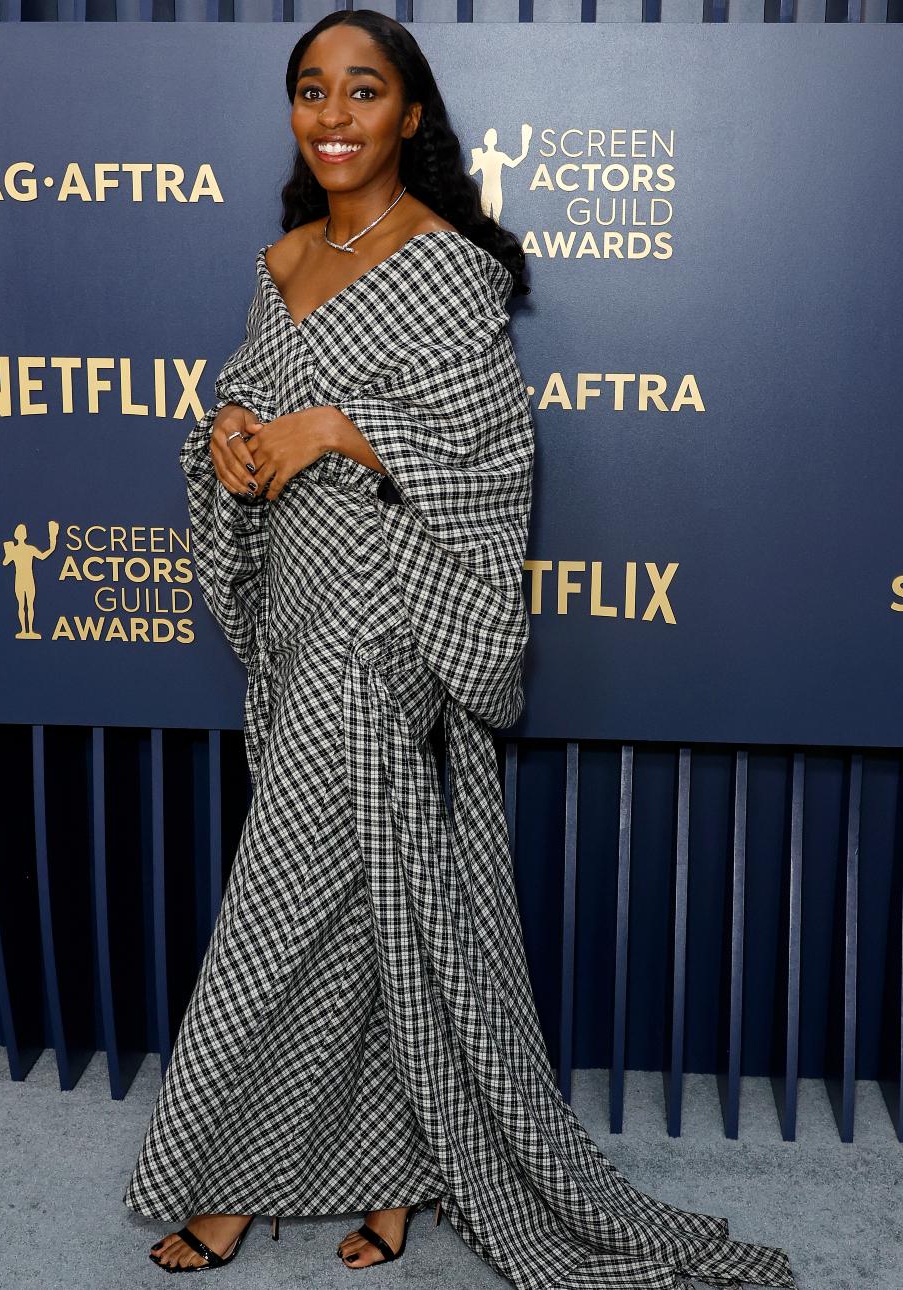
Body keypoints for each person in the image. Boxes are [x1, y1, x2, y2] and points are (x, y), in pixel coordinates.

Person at [123, 11, 800, 1289]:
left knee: (279, 907)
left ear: (410, 116)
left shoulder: (445, 266)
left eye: (361, 91)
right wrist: (228, 435)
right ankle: (384, 1173)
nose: (332, 114)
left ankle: (215, 1180)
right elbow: (243, 397)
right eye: (310, 91)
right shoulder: (275, 263)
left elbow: (489, 457)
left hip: (390, 617)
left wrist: (332, 426)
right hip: (298, 611)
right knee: (361, 905)